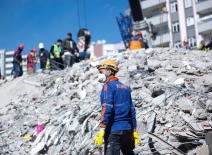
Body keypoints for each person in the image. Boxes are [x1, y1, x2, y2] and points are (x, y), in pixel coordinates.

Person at [95, 60, 140, 155]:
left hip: (113, 130)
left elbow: (107, 107)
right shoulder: (125, 87)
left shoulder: (108, 86)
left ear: (109, 71)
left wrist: (102, 128)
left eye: (101, 71)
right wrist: (134, 130)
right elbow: (132, 110)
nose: (99, 74)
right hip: (127, 130)